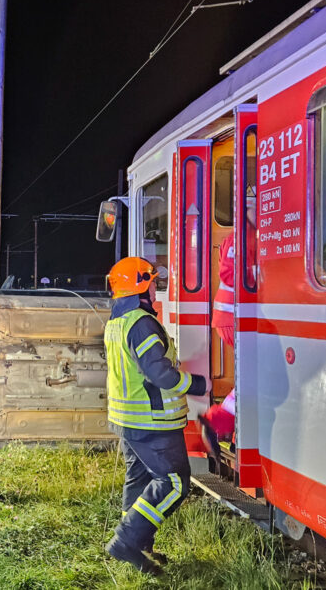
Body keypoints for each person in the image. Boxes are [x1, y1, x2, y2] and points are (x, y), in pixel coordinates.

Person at [103, 256, 208, 574]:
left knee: (139, 479)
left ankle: (139, 547)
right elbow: (159, 374)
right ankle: (126, 542)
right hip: (152, 421)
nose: (156, 288)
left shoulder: (118, 320)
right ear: (142, 287)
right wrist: (200, 384)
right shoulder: (141, 322)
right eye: (153, 282)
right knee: (174, 483)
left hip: (128, 420)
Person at [199, 196, 257, 452]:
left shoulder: (249, 235)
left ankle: (231, 430)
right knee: (255, 374)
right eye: (257, 208)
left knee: (252, 374)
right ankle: (220, 421)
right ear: (249, 210)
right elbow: (230, 273)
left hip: (234, 318)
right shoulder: (241, 238)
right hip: (234, 319)